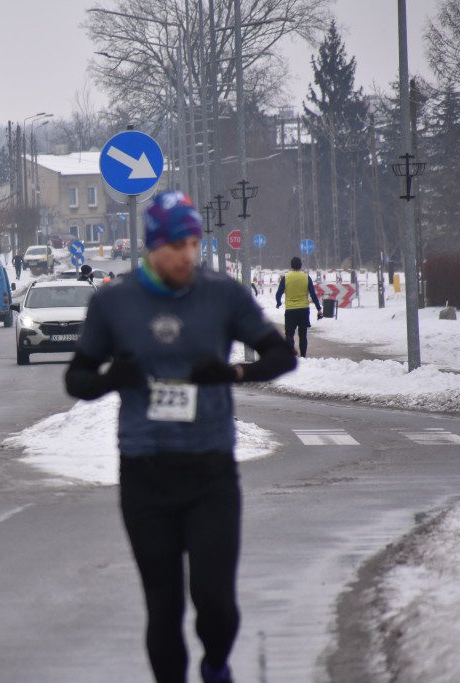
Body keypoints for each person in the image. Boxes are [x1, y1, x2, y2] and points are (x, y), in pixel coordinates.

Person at [64, 191, 296, 683]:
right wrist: (112, 378)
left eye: (193, 242)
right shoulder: (114, 301)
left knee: (215, 603)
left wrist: (231, 374)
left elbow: (281, 356)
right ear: (152, 246)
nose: (188, 255)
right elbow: (76, 380)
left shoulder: (221, 293)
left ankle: (215, 667)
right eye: (176, 245)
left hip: (210, 470)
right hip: (145, 473)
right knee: (163, 606)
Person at [275, 256, 323, 358]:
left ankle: (290, 355)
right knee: (302, 334)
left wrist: (278, 303)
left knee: (289, 334)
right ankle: (303, 356)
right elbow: (313, 295)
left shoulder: (286, 278)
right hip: (303, 310)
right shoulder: (306, 278)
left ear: (291, 266)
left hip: (290, 310)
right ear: (301, 266)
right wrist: (319, 309)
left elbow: (278, 293)